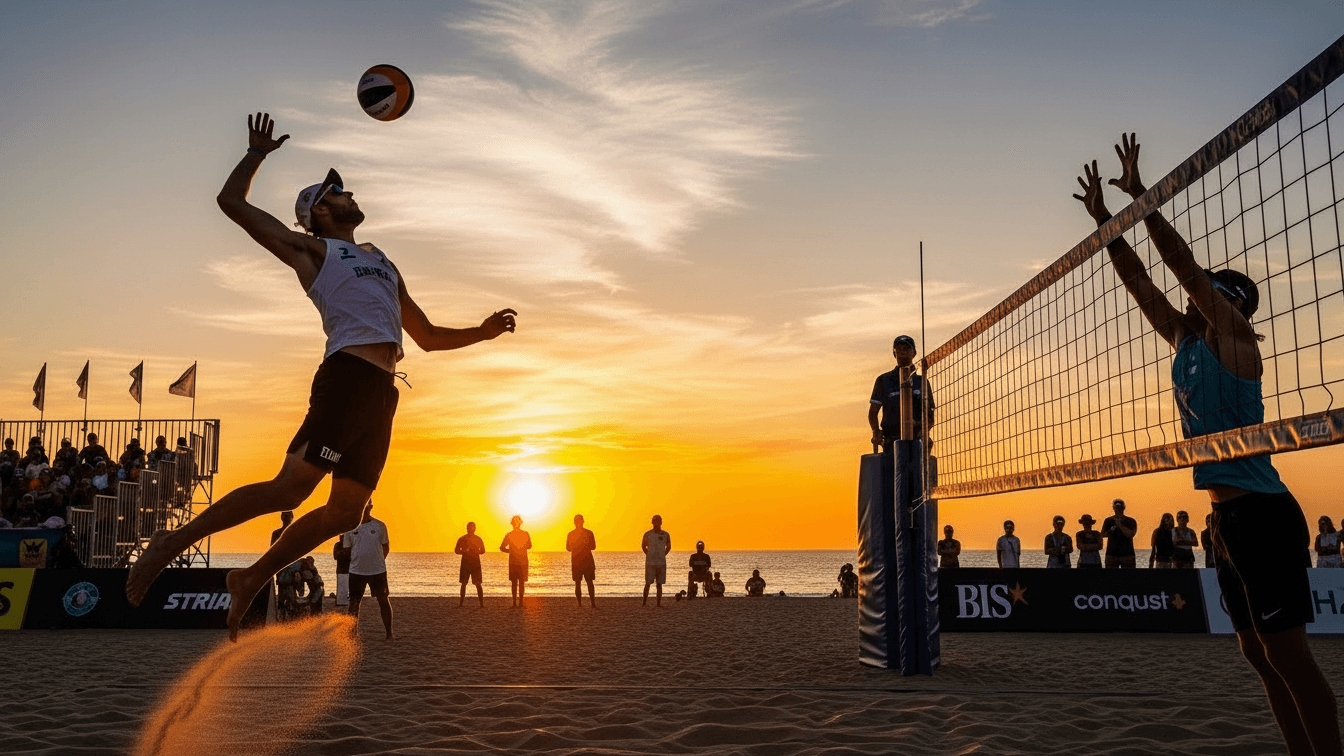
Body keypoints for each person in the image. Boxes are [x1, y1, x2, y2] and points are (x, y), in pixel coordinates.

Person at [124, 112, 518, 639]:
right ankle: (171, 544)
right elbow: (232, 205)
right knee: (289, 491)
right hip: (347, 377)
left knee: (346, 514)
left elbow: (424, 335)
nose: (347, 193)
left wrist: (483, 331)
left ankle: (250, 578)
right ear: (318, 212)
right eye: (335, 192)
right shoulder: (313, 250)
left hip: (381, 391)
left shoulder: (382, 259)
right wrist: (257, 154)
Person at [1077, 133, 1340, 754]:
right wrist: (1107, 225)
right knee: (1256, 652)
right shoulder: (1187, 343)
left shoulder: (1235, 340)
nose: (1199, 300)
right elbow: (1143, 286)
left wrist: (1142, 197)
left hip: (1265, 514)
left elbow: (1181, 266)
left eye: (1212, 294)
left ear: (1231, 306)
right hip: (1224, 520)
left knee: (1289, 655)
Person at [869, 335, 936, 453]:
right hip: (891, 442)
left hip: (917, 440)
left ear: (914, 353)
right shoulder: (884, 380)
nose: (902, 352)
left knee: (917, 471)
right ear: (894, 354)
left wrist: (924, 431)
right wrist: (876, 432)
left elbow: (930, 414)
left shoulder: (922, 381)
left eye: (906, 349)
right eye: (898, 350)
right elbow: (873, 412)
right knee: (892, 471)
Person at [341, 502, 392, 639]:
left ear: (371, 506)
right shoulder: (350, 528)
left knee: (383, 600)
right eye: (362, 505)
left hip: (378, 571)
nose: (364, 508)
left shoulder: (379, 525)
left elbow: (385, 547)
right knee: (354, 603)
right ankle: (352, 635)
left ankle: (389, 634)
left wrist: (377, 562)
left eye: (367, 505)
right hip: (356, 572)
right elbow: (347, 549)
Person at [566, 514, 597, 608]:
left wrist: (579, 546)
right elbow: (568, 548)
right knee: (582, 582)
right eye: (577, 521)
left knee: (586, 582)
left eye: (579, 521)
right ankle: (587, 604)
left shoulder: (587, 533)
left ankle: (588, 604)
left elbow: (593, 546)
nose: (578, 523)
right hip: (579, 561)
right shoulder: (573, 534)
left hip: (584, 560)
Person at [500, 515, 531, 607]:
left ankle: (519, 603)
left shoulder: (524, 534)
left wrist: (516, 549)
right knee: (515, 582)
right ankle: (515, 603)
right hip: (515, 561)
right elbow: (502, 547)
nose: (516, 523)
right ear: (512, 523)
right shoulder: (509, 535)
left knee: (520, 582)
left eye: (517, 522)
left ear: (520, 523)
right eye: (515, 522)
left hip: (522, 561)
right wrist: (511, 551)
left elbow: (529, 546)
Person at [642, 514, 672, 607]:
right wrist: (649, 554)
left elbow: (669, 546)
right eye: (655, 521)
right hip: (650, 562)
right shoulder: (647, 534)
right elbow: (643, 546)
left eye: (659, 521)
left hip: (661, 563)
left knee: (659, 584)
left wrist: (663, 555)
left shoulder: (666, 534)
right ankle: (644, 603)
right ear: (652, 522)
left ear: (661, 522)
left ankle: (658, 604)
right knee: (648, 583)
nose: (657, 523)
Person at [455, 521, 486, 607]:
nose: (471, 529)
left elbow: (483, 550)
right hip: (465, 563)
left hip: (476, 564)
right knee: (463, 583)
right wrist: (464, 551)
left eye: (473, 527)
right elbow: (456, 550)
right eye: (469, 527)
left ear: (475, 529)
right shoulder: (462, 539)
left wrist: (477, 551)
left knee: (478, 584)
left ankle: (481, 604)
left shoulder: (478, 539)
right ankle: (461, 604)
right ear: (467, 528)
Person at [1101, 499, 1138, 568]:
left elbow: (1131, 534)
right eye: (1116, 507)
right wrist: (1111, 529)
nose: (1117, 509)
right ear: (1113, 508)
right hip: (1111, 554)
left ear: (1123, 508)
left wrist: (1119, 524)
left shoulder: (1130, 521)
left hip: (1127, 554)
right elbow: (1103, 534)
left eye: (1119, 507)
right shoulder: (1108, 520)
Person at [333, 535, 351, 606]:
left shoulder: (349, 545)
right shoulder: (338, 545)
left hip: (348, 568)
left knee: (347, 586)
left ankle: (344, 600)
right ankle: (340, 601)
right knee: (341, 585)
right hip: (341, 568)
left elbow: (352, 556)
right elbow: (335, 556)